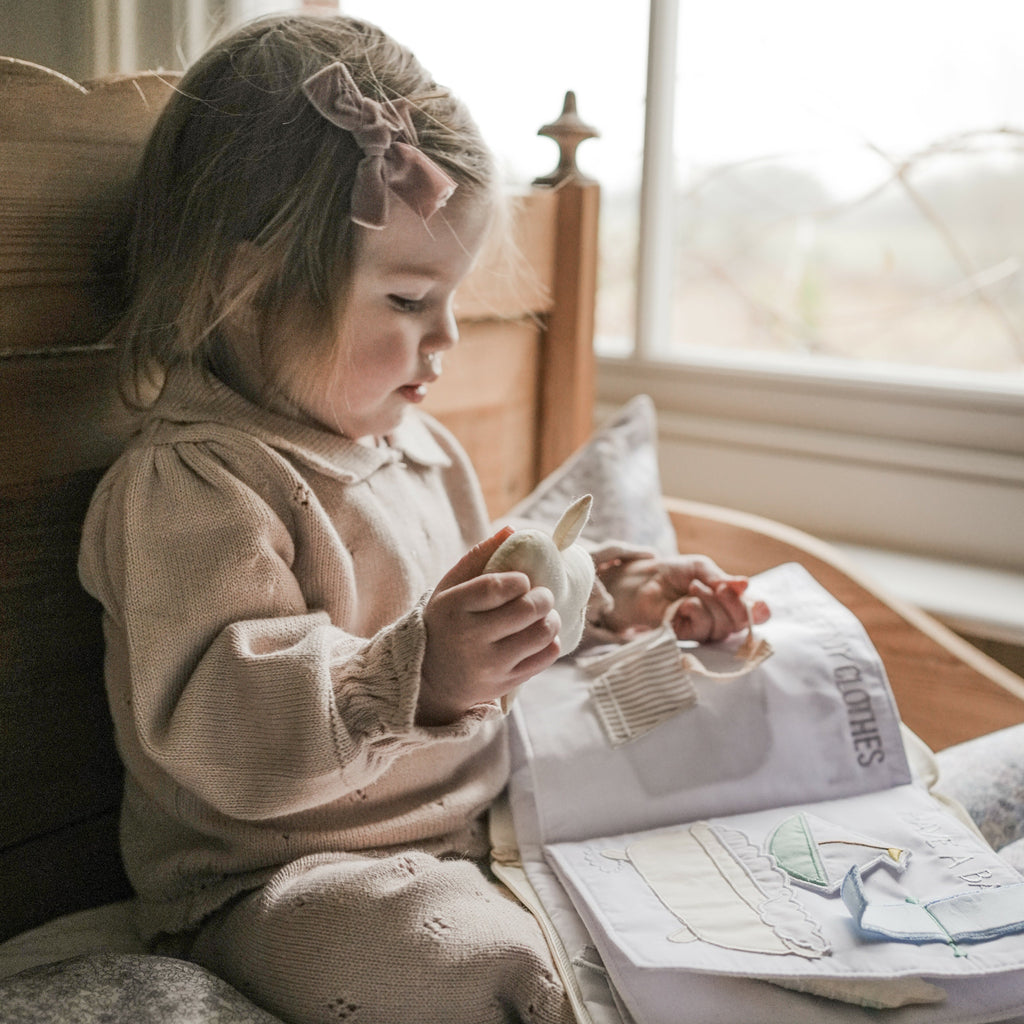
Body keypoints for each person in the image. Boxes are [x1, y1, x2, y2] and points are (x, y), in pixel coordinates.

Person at [78, 14, 767, 1024]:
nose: (446, 336)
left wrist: (606, 594)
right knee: (453, 956)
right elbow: (222, 728)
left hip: (477, 829)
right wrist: (425, 674)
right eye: (407, 299)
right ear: (245, 288)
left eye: (450, 297)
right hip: (278, 880)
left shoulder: (421, 448)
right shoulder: (194, 484)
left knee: (701, 802)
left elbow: (494, 590)